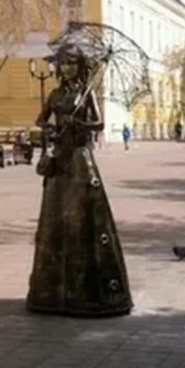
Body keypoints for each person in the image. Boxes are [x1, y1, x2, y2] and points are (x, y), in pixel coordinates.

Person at [26, 44, 133, 317]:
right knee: (56, 214)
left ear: (81, 66)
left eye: (72, 62)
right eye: (64, 63)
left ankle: (86, 293)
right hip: (59, 158)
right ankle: (52, 293)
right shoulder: (55, 94)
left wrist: (82, 126)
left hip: (79, 156)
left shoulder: (87, 93)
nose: (68, 67)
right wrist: (49, 128)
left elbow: (98, 123)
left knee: (83, 213)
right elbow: (40, 119)